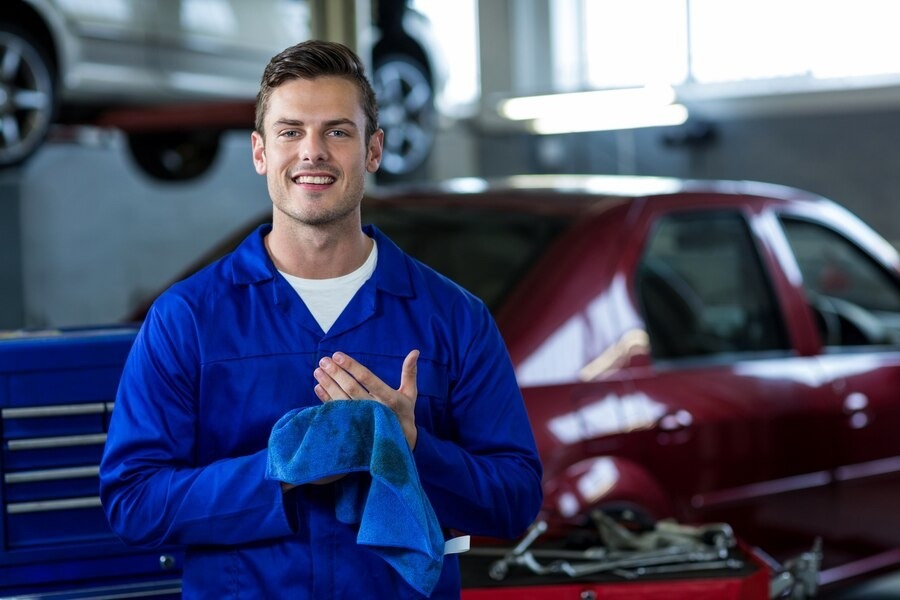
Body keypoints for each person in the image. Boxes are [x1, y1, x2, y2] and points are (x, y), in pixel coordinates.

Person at [99, 40, 543, 599]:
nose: (313, 152)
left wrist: (410, 445)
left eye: (337, 131)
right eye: (290, 132)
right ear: (260, 152)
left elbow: (516, 500)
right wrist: (283, 471)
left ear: (373, 149)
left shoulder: (454, 320)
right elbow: (133, 502)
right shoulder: (187, 319)